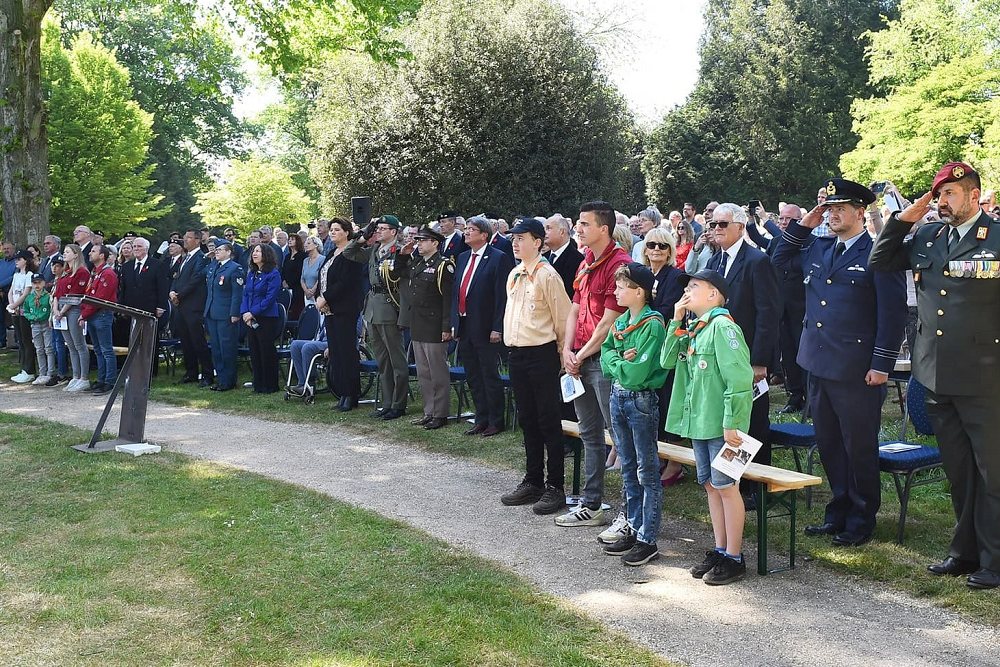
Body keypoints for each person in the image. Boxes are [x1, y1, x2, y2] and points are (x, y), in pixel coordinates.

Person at [870, 161, 1000, 590]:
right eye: (938, 194)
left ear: (974, 194)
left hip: (985, 377)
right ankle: (964, 552)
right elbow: (881, 260)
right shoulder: (927, 235)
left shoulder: (995, 238)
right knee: (960, 472)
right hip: (937, 373)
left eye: (951, 194)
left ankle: (995, 560)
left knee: (992, 472)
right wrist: (905, 216)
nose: (942, 202)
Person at [773, 179, 906, 547]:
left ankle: (862, 517)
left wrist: (881, 364)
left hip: (856, 368)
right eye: (828, 208)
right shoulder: (818, 246)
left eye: (840, 208)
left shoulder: (879, 252)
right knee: (830, 443)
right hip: (817, 362)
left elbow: (892, 315)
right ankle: (839, 509)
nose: (832, 214)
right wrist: (805, 223)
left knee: (858, 445)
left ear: (861, 212)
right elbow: (779, 258)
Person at [660, 269, 754, 585]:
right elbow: (666, 361)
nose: (687, 291)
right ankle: (720, 548)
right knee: (711, 486)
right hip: (700, 423)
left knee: (727, 487)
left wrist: (734, 424)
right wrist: (676, 318)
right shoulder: (696, 329)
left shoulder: (724, 328)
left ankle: (735, 557)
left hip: (724, 426)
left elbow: (740, 379)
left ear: (713, 294)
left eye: (694, 286)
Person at [556, 200, 632, 529]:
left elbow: (608, 325)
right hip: (580, 357)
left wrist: (580, 354)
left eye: (584, 224)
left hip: (604, 360)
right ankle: (592, 503)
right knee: (589, 432)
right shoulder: (585, 260)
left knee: (619, 434)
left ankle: (630, 513)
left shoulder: (621, 266)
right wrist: (567, 350)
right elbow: (574, 309)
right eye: (577, 223)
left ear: (604, 228)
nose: (578, 229)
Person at [705, 203, 781, 505]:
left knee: (753, 420)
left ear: (739, 226)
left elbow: (769, 313)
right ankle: (731, 480)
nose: (716, 229)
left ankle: (755, 486)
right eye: (713, 224)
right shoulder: (715, 259)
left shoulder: (757, 261)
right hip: (717, 356)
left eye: (723, 224)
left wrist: (760, 361)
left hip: (747, 356)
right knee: (729, 419)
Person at [499, 218, 572, 515]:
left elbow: (563, 319)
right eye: (514, 238)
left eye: (522, 238)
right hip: (517, 354)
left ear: (538, 242)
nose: (515, 243)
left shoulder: (547, 275)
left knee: (548, 421)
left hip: (541, 354)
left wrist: (560, 356)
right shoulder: (515, 273)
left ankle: (555, 486)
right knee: (527, 419)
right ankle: (533, 480)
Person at [599, 263, 667, 566]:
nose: (616, 291)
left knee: (646, 469)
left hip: (640, 400)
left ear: (639, 291)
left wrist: (620, 365)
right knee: (627, 466)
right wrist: (618, 361)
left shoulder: (653, 324)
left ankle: (647, 537)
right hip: (618, 397)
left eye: (621, 287)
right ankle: (633, 525)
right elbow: (606, 353)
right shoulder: (623, 320)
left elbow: (638, 371)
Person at [451, 216, 514, 437]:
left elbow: (502, 296)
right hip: (465, 324)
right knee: (473, 374)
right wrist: (455, 324)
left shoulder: (498, 258)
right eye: (466, 229)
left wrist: (498, 326)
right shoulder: (462, 257)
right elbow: (456, 292)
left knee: (489, 374)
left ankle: (496, 420)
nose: (466, 232)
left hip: (486, 326)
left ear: (484, 235)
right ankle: (481, 417)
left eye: (471, 229)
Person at [344, 214, 408, 419]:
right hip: (372, 308)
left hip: (390, 308)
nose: (378, 231)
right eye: (377, 228)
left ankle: (398, 404)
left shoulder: (399, 252)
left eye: (382, 228)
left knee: (396, 360)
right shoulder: (374, 250)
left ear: (394, 232)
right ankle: (387, 403)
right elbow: (348, 252)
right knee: (382, 360)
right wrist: (364, 234)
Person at [746, 203, 808, 413]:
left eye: (788, 219)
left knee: (804, 352)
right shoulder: (777, 242)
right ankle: (795, 395)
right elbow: (759, 239)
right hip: (781, 310)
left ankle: (810, 396)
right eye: (781, 219)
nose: (783, 223)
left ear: (800, 221)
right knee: (788, 354)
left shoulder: (809, 243)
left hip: (803, 309)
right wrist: (750, 220)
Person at [393, 225, 455, 430]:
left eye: (422, 241)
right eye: (418, 240)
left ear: (435, 243)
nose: (418, 244)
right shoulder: (418, 262)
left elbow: (448, 299)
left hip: (435, 324)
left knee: (438, 372)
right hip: (418, 323)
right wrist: (402, 255)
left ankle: (441, 413)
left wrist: (447, 326)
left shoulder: (443, 265)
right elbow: (399, 272)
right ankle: (429, 411)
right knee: (424, 372)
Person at [641, 227, 686, 485]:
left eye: (662, 246)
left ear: (670, 250)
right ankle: (659, 456)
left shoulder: (675, 276)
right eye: (651, 245)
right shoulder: (645, 275)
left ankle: (676, 463)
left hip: (668, 348)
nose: (656, 250)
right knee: (654, 403)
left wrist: (648, 304)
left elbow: (667, 311)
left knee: (670, 402)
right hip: (647, 348)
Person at [316, 217, 366, 411]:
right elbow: (324, 277)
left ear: (347, 232)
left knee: (347, 352)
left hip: (344, 308)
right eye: (331, 230)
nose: (332, 232)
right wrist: (320, 300)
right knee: (336, 352)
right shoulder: (331, 253)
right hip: (329, 310)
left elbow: (345, 282)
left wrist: (325, 297)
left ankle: (351, 395)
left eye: (337, 229)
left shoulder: (351, 253)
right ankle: (341, 392)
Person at [170, 229, 214, 387]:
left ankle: (207, 374)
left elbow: (196, 279)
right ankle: (191, 372)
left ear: (197, 240)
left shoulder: (201, 258)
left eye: (188, 238)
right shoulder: (185, 258)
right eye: (184, 237)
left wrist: (179, 295)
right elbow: (177, 277)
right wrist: (172, 292)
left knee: (198, 341)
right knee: (186, 341)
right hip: (181, 305)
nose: (185, 240)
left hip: (193, 305)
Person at [203, 239, 245, 392]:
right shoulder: (213, 265)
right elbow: (200, 273)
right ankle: (221, 379)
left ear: (229, 251)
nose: (217, 252)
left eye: (220, 249)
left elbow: (237, 293)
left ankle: (229, 380)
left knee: (227, 347)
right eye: (216, 249)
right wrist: (204, 257)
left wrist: (235, 313)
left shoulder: (234, 268)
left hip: (226, 313)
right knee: (216, 348)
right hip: (212, 312)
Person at [241, 244, 283, 394]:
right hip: (250, 317)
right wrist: (245, 312)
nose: (254, 253)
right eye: (254, 251)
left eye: (258, 251)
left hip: (265, 317)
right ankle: (258, 384)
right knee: (254, 350)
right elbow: (246, 294)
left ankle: (270, 385)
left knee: (266, 350)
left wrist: (253, 312)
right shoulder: (252, 273)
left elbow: (270, 298)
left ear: (266, 254)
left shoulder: (273, 273)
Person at [80, 245, 119, 395]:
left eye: (94, 251)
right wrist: (85, 312)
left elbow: (100, 298)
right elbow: (89, 295)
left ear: (102, 255)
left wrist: (84, 314)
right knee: (98, 350)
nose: (90, 253)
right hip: (92, 314)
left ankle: (109, 381)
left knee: (106, 349)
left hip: (101, 314)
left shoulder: (108, 273)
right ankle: (101, 379)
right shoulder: (95, 273)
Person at [53, 244, 91, 391]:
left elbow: (76, 293)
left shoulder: (81, 272)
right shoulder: (65, 273)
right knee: (70, 345)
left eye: (67, 252)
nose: (64, 254)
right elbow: (57, 293)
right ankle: (75, 376)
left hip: (73, 309)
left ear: (76, 254)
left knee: (79, 344)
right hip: (61, 310)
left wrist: (62, 311)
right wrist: (56, 310)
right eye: (64, 252)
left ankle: (84, 377)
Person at [7, 250, 38, 383]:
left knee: (26, 340)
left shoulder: (30, 275)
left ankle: (29, 370)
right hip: (15, 310)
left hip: (24, 310)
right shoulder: (16, 275)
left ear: (25, 260)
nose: (16, 261)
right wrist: (11, 305)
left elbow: (25, 293)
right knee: (20, 340)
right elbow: (11, 291)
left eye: (19, 259)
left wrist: (14, 305)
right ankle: (23, 368)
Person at [22, 274, 56, 386]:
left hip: (46, 324)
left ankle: (50, 373)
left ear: (44, 283)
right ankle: (42, 373)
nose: (37, 285)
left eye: (39, 282)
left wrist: (42, 316)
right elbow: (25, 311)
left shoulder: (47, 296)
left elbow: (50, 310)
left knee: (49, 348)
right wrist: (32, 317)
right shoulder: (29, 298)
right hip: (34, 325)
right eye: (34, 283)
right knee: (39, 349)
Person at [543, 214, 584, 298]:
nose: (544, 232)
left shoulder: (577, 260)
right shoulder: (543, 257)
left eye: (548, 228)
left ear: (561, 232)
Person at [47, 256, 69, 383]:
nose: (54, 268)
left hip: (62, 314)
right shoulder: (54, 281)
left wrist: (58, 312)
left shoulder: (64, 280)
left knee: (60, 344)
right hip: (54, 315)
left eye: (57, 266)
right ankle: (58, 371)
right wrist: (51, 317)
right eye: (53, 266)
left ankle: (62, 372)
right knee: (55, 343)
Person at [282, 233, 306, 320]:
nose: (290, 241)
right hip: (286, 287)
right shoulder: (287, 256)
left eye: (292, 239)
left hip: (297, 287)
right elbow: (283, 269)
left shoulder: (302, 256)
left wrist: (290, 283)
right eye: (289, 239)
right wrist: (284, 281)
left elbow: (299, 272)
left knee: (296, 311)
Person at [299, 236, 325, 308]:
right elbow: (302, 278)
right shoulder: (305, 260)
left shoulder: (322, 259)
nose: (305, 245)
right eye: (305, 243)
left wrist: (313, 290)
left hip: (318, 295)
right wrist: (306, 291)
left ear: (316, 245)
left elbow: (321, 277)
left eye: (308, 243)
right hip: (307, 295)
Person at [0, 241, 15, 349]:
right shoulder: (1, 262)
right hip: (0, 293)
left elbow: (13, 277)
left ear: (13, 249)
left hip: (11, 293)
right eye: (4, 248)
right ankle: (2, 340)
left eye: (8, 248)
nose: (6, 250)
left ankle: (15, 341)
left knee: (12, 318)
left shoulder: (17, 262)